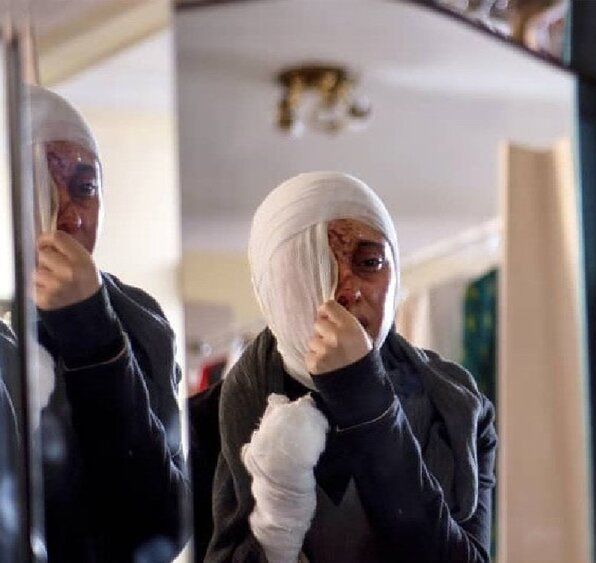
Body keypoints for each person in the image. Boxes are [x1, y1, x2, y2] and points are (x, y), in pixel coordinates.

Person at [207, 172, 496, 562]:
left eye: (370, 262)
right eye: (312, 266)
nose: (348, 290)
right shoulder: (218, 416)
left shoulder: (458, 406)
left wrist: (364, 396)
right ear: (272, 288)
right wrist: (277, 522)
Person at [27, 84, 187, 561]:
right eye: (37, 188)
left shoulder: (140, 319)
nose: (69, 217)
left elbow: (162, 524)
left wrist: (93, 335)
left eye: (84, 188)